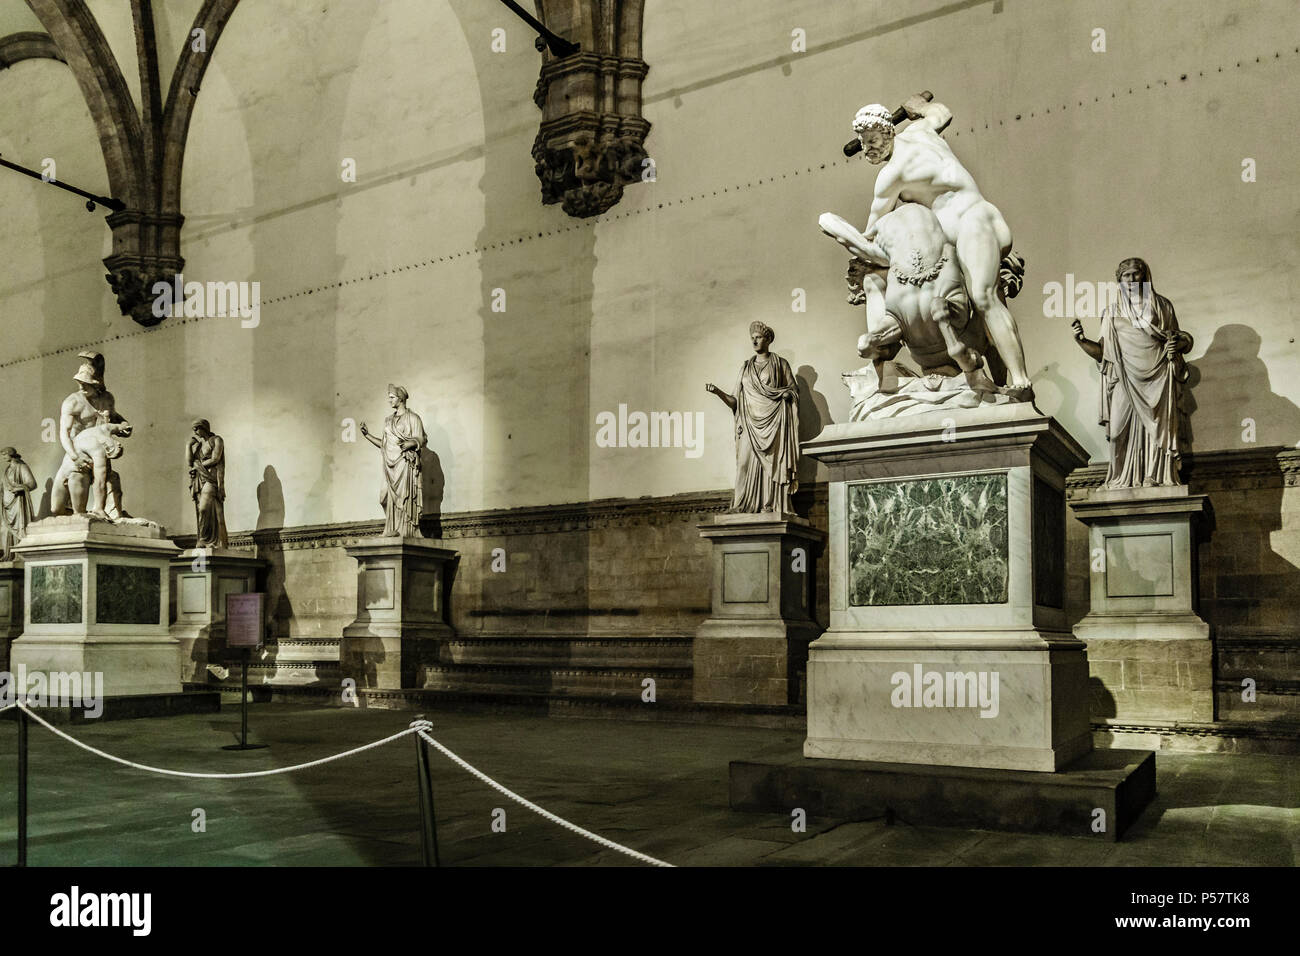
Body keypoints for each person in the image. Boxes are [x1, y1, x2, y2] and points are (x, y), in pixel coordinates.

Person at [854, 95, 1032, 396]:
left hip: (971, 225)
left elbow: (870, 235)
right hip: (975, 227)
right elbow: (941, 112)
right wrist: (918, 108)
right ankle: (1001, 381)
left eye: (872, 140)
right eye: (862, 143)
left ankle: (1020, 381)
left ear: (888, 132)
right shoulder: (921, 131)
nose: (867, 149)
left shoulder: (889, 177)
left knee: (983, 297)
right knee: (986, 302)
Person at [1072, 258, 1192, 488]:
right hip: (1124, 377)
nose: (1131, 279)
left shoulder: (1162, 306)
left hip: (1157, 374)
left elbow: (1180, 338)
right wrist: (1081, 340)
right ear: (1119, 280)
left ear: (1144, 276)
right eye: (1126, 275)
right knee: (1117, 431)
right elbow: (1103, 352)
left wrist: (1177, 344)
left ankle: (1154, 476)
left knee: (1157, 427)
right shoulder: (1111, 312)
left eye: (1136, 274)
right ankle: (1121, 478)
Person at [706, 322, 800, 514]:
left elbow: (793, 390)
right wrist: (718, 392)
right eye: (752, 338)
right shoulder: (746, 367)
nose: (754, 341)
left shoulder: (780, 364)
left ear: (768, 340)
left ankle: (772, 504)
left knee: (772, 465)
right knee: (743, 464)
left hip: (774, 424)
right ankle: (741, 505)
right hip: (749, 424)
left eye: (758, 337)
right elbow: (735, 402)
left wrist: (788, 395)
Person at [51, 355, 132, 518]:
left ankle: (96, 513)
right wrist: (75, 457)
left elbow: (115, 417)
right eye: (79, 383)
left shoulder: (107, 398)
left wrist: (124, 425)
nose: (81, 387)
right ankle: (85, 514)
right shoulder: (72, 402)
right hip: (78, 451)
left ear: (97, 384)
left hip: (97, 449)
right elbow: (64, 433)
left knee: (85, 502)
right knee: (56, 509)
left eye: (85, 384)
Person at [360, 385, 427, 537]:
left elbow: (421, 438)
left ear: (401, 398)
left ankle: (405, 531)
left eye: (392, 397)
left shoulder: (413, 418)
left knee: (404, 499)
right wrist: (367, 435)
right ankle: (391, 528)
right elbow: (383, 445)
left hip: (405, 463)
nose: (389, 400)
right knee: (383, 498)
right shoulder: (388, 421)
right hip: (389, 466)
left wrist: (411, 443)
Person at [187, 419, 227, 549]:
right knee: (202, 510)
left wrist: (198, 466)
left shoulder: (217, 440)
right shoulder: (198, 446)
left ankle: (206, 539)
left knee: (204, 508)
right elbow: (190, 462)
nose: (195, 432)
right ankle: (206, 540)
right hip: (199, 480)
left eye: (196, 429)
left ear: (204, 428)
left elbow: (216, 458)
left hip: (211, 478)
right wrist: (188, 446)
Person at [0, 447, 36, 561]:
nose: (3, 457)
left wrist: (20, 488)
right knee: (4, 530)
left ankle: (19, 555)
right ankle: (8, 555)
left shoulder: (22, 467)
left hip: (17, 504)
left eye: (5, 454)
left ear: (11, 454)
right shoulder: (7, 470)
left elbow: (32, 483)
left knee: (20, 528)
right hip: (7, 506)